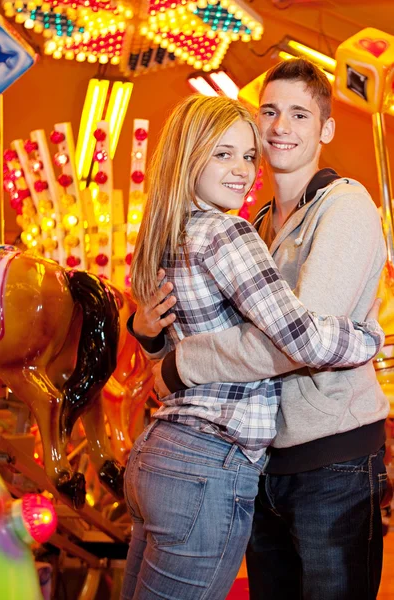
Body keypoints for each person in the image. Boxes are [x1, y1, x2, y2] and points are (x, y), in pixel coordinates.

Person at [130, 58, 390, 600]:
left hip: (330, 454)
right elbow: (215, 321)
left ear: (326, 129)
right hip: (257, 455)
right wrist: (152, 335)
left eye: (299, 114)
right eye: (269, 111)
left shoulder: (343, 205)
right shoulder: (249, 224)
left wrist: (178, 366)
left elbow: (292, 344)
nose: (279, 127)